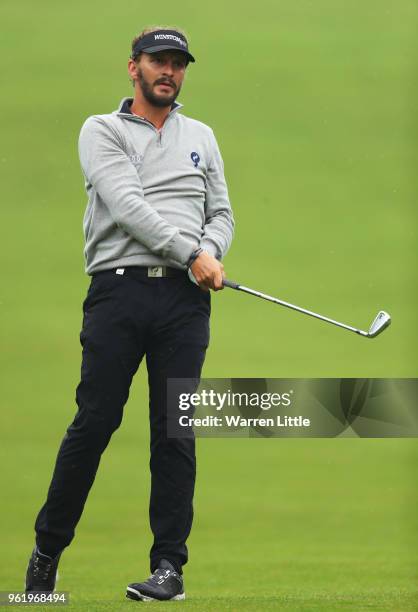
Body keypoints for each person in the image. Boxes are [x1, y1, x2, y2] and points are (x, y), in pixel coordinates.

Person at [25, 26, 234, 602]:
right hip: (119, 292)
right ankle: (47, 551)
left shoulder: (202, 137)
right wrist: (192, 251)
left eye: (177, 63)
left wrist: (212, 249)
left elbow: (221, 211)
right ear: (133, 67)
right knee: (95, 423)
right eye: (157, 61)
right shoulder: (103, 131)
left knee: (175, 430)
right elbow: (128, 206)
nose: (168, 71)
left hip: (185, 304)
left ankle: (169, 567)